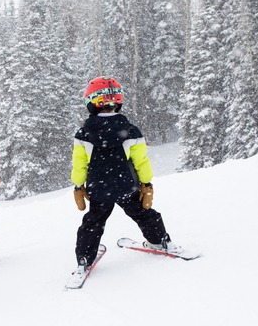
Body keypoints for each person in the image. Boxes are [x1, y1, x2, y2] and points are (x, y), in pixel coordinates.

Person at [71, 76, 183, 277]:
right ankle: (160, 240)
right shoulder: (130, 131)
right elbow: (141, 161)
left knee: (93, 222)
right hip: (126, 186)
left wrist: (78, 186)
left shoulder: (84, 134)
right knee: (143, 213)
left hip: (99, 189)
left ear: (92, 101)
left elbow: (80, 165)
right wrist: (146, 183)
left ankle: (84, 259)